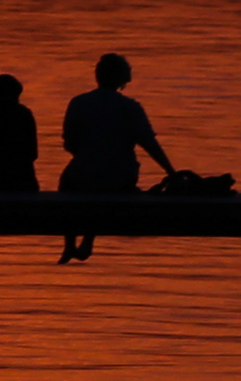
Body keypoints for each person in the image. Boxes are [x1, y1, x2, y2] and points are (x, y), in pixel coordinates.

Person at [56, 52, 171, 263]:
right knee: (103, 188)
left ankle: (70, 244)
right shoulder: (130, 107)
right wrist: (170, 171)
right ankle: (87, 242)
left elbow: (69, 142)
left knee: (69, 184)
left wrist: (87, 155)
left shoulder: (79, 103)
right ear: (123, 79)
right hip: (120, 176)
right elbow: (149, 143)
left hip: (84, 173)